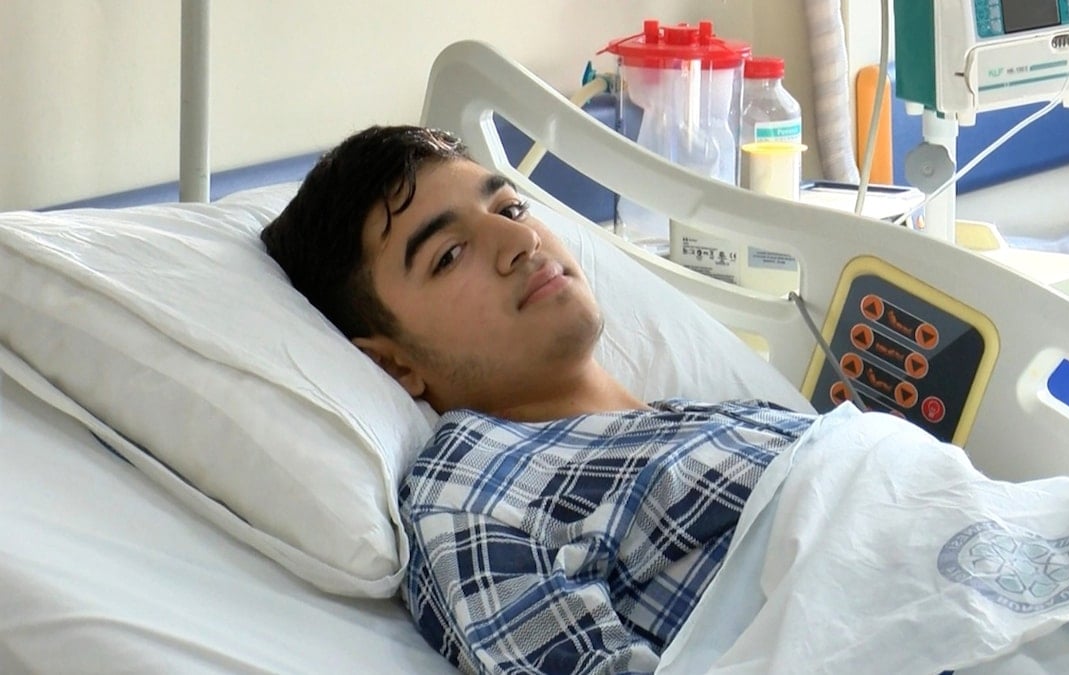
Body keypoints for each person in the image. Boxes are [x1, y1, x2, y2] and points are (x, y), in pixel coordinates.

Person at [260, 125, 819, 674]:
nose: (519, 242)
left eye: (510, 209)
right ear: (394, 364)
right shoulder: (471, 492)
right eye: (449, 255)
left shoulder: (724, 417)